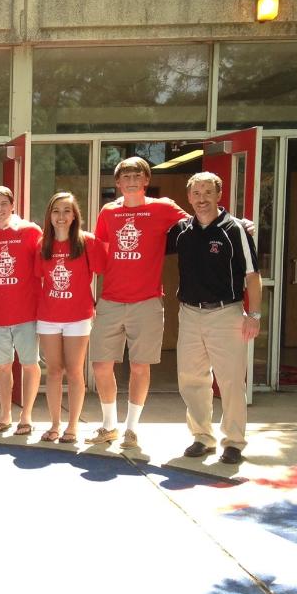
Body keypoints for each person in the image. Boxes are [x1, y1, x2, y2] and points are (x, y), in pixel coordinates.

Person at [88, 156, 189, 449]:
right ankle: (109, 425)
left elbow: (199, 223)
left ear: (146, 181)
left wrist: (236, 223)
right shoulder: (108, 211)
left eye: (137, 176)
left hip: (146, 301)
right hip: (111, 299)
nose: (131, 182)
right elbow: (101, 250)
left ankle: (131, 429)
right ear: (118, 183)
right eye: (126, 177)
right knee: (100, 365)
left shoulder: (163, 207)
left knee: (140, 367)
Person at [168, 171, 261, 465]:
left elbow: (253, 276)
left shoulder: (235, 230)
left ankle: (233, 442)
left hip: (226, 313)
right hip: (189, 313)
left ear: (218, 195)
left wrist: (254, 315)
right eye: (196, 193)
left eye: (208, 192)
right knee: (191, 379)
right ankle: (202, 437)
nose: (202, 199)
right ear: (189, 197)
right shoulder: (182, 230)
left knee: (231, 380)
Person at [36, 191, 107, 444]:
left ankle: (73, 426)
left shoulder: (87, 242)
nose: (61, 216)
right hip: (48, 316)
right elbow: (38, 278)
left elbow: (103, 269)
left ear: (75, 215)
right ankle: (55, 424)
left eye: (67, 211)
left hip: (78, 316)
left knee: (75, 371)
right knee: (54, 371)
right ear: (49, 216)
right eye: (56, 211)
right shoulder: (42, 244)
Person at [0, 185, 42, 436]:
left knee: (29, 364)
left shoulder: (30, 231)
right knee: (3, 366)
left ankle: (26, 416)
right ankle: (5, 415)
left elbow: (42, 267)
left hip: (26, 312)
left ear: (13, 205)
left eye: (3, 203)